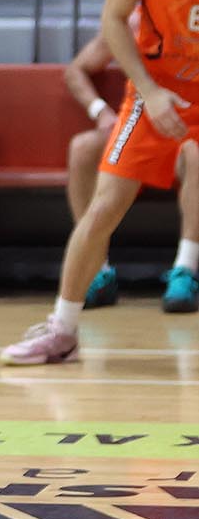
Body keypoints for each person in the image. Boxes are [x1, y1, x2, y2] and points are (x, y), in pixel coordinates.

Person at [4, 0, 199, 364]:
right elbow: (113, 21)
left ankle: (185, 267)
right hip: (157, 91)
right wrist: (150, 92)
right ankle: (62, 329)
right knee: (105, 207)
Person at [64, 27, 199, 313]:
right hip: (138, 126)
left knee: (195, 154)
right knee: (82, 148)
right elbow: (75, 70)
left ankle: (186, 269)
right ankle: (96, 269)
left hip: (185, 129)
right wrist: (100, 110)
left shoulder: (188, 20)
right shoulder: (130, 22)